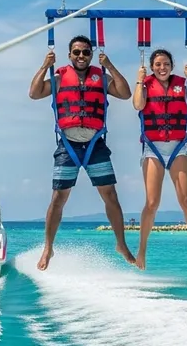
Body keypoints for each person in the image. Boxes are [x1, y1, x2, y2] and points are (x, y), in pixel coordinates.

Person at [29, 34, 136, 271]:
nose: (81, 56)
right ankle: (48, 247)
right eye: (76, 52)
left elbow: (126, 93)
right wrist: (45, 66)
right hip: (68, 145)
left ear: (90, 54)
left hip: (95, 143)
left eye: (85, 52)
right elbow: (34, 93)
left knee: (111, 197)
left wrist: (109, 65)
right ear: (69, 55)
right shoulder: (58, 77)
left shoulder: (101, 77)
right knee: (58, 199)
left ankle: (121, 244)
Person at [132, 48, 187, 270]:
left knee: (186, 200)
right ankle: (142, 249)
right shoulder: (145, 86)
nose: (162, 68)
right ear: (152, 67)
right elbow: (138, 105)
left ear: (171, 66)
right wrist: (139, 81)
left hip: (178, 146)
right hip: (153, 147)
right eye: (157, 65)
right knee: (152, 202)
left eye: (165, 64)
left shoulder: (183, 85)